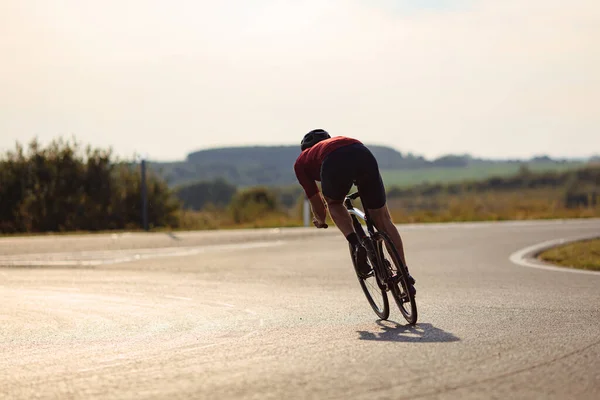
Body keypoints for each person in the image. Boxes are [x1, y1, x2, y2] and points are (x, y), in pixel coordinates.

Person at [293, 129, 415, 292]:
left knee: (335, 203)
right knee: (383, 220)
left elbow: (317, 203)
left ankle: (357, 244)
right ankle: (404, 274)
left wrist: (321, 220)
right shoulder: (337, 140)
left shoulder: (302, 161)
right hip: (360, 150)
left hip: (334, 160)